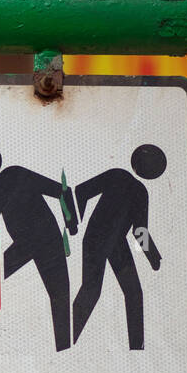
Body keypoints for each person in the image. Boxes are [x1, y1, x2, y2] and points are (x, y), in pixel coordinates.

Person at [0, 141, 78, 351]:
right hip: (34, 241)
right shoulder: (2, 182)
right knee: (59, 294)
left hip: (41, 239)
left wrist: (71, 223)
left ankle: (64, 349)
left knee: (59, 294)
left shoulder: (9, 177)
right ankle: (64, 349)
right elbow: (63, 191)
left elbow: (62, 190)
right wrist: (71, 223)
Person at [71, 144, 165, 350]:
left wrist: (153, 258)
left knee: (134, 293)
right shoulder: (127, 182)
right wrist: (75, 223)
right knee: (92, 290)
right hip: (97, 239)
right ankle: (68, 340)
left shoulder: (131, 184)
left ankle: (137, 348)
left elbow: (139, 230)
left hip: (115, 243)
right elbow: (81, 191)